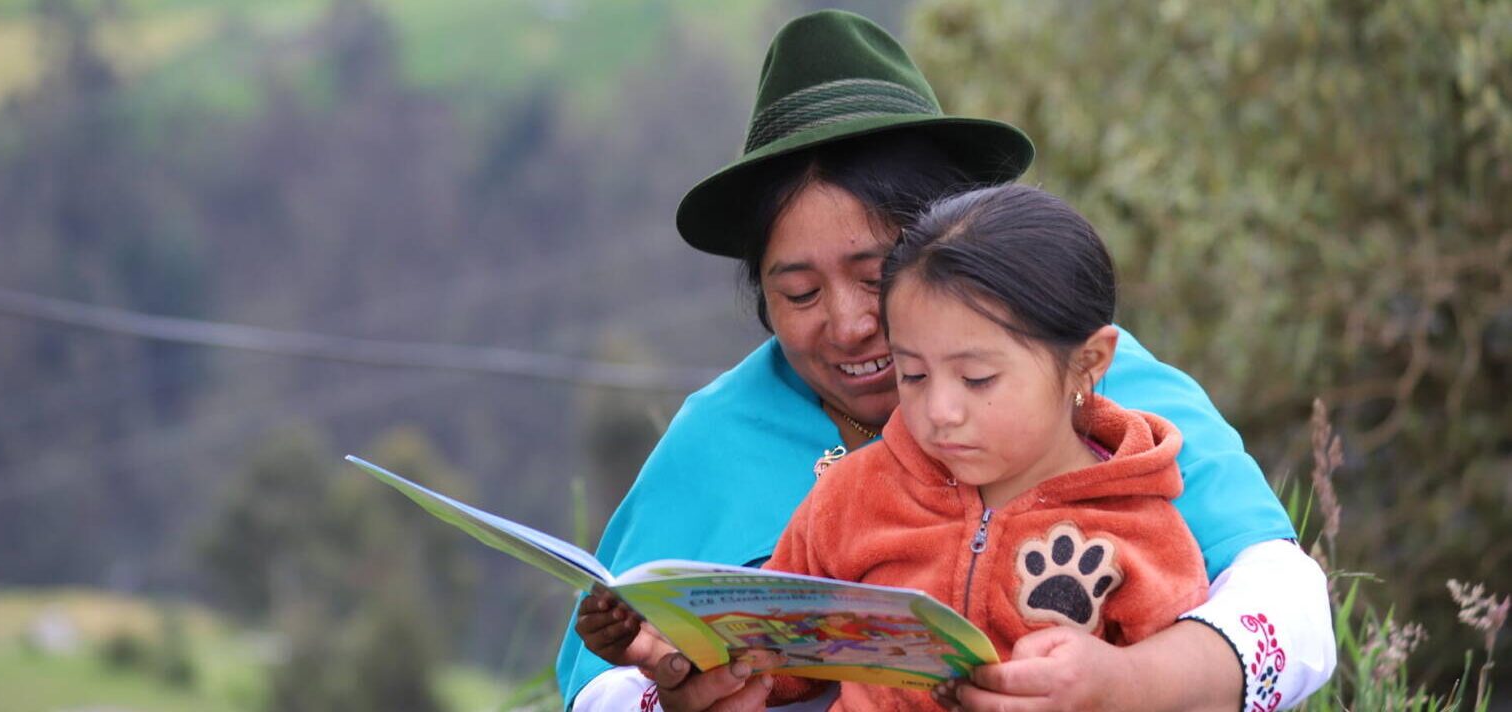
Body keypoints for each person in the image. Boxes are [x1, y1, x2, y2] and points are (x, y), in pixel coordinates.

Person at [559, 10, 1334, 712]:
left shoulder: (1101, 386)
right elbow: (599, 685)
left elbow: (1287, 605)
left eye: (879, 276)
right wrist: (677, 694)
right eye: (799, 293)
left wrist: (1127, 682)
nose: (851, 325)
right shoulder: (717, 438)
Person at [583, 184, 1216, 710]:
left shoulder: (1140, 531)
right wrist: (678, 651)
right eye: (912, 374)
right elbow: (784, 655)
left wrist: (1118, 688)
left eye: (977, 378)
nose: (939, 410)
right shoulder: (854, 495)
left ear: (1089, 362)